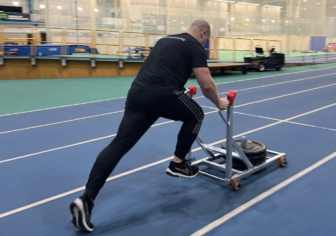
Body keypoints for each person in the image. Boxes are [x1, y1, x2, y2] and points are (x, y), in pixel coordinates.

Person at [69, 20, 229, 232]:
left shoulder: (165, 40)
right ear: (203, 33)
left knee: (118, 145)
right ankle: (178, 164)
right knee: (196, 114)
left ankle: (87, 199)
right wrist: (219, 102)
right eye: (206, 39)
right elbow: (206, 83)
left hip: (137, 94)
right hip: (163, 95)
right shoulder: (194, 46)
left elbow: (162, 68)